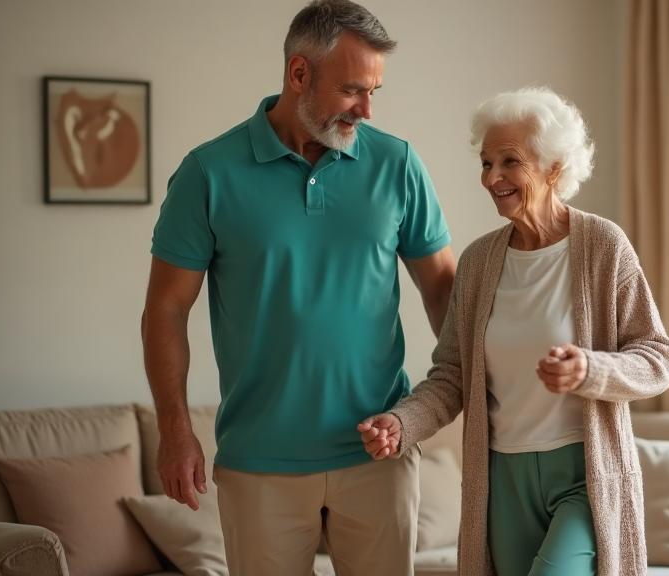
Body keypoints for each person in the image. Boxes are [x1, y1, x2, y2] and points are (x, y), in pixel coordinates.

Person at [141, 1, 455, 574]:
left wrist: (475, 391)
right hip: (260, 464)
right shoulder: (208, 172)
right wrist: (175, 429)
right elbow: (165, 310)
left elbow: (443, 291)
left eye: (374, 91)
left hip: (378, 454)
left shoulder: (398, 164)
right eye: (352, 90)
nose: (365, 108)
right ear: (299, 74)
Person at [358, 87, 669, 576]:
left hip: (583, 474)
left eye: (510, 162)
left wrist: (591, 369)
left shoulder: (603, 246)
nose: (492, 178)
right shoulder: (479, 262)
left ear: (554, 167)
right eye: (486, 163)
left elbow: (659, 357)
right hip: (501, 479)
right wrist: (403, 424)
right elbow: (451, 377)